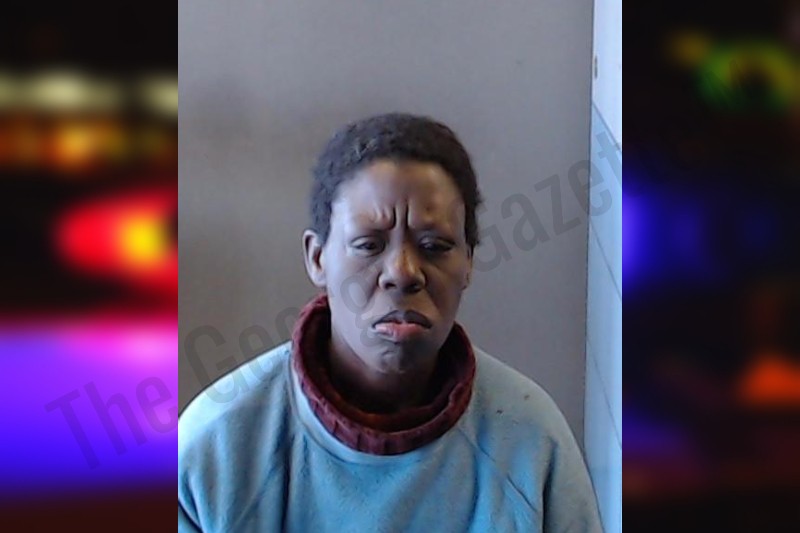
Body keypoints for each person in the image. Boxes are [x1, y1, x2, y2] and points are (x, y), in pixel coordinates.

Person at [178, 113, 603, 532]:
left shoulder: (530, 441)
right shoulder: (215, 450)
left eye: (435, 246)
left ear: (469, 262)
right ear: (318, 258)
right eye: (368, 245)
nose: (402, 272)